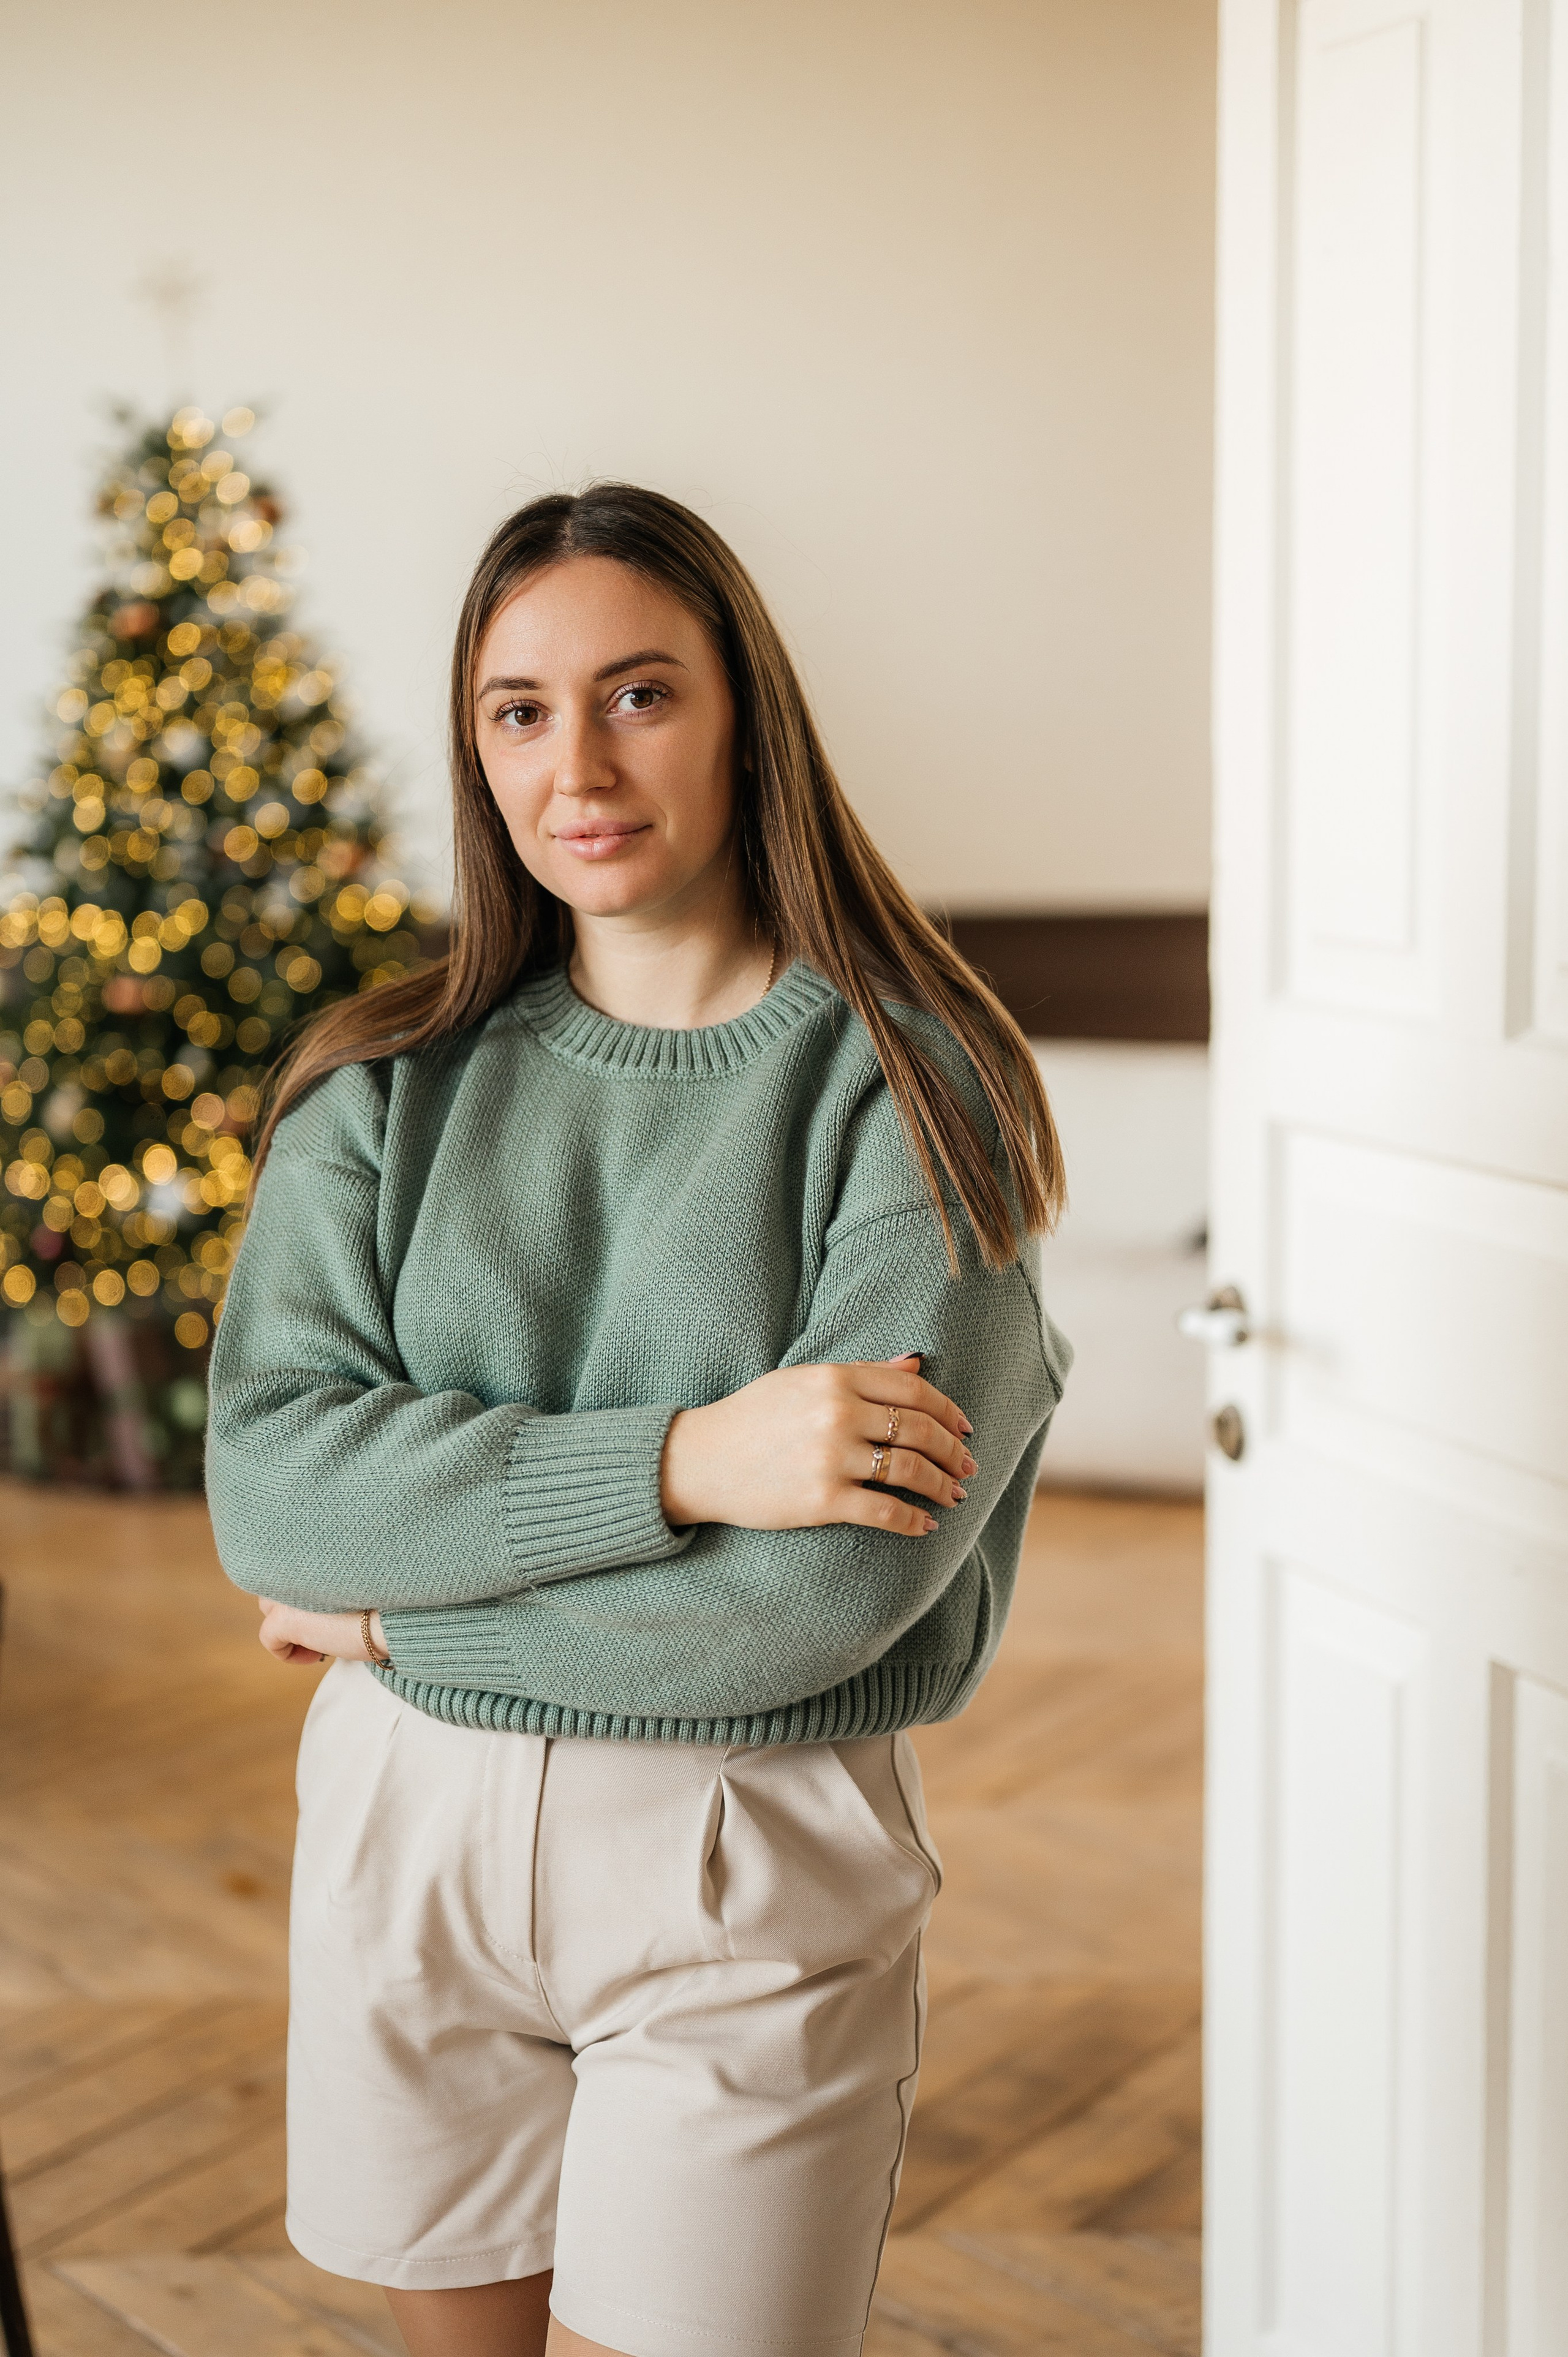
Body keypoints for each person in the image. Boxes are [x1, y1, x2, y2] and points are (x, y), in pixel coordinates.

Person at [205, 483, 1071, 2357]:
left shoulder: (916, 1091)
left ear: (745, 712)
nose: (575, 761)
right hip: (405, 1850)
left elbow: (812, 1609)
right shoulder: (383, 1089)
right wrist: (687, 1460)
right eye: (518, 708)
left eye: (639, 693)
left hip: (738, 1867)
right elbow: (275, 1488)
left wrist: (396, 1614)